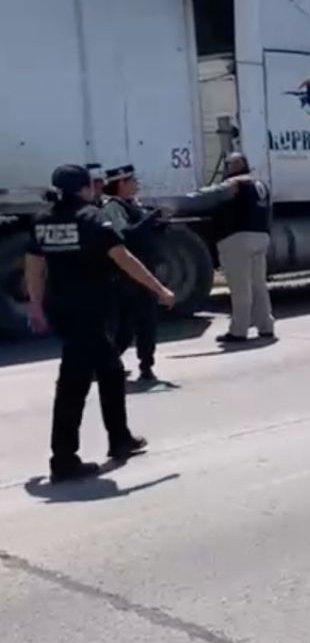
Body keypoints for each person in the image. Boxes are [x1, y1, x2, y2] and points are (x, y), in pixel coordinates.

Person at [25, 165, 175, 483]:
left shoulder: (42, 220)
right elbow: (125, 259)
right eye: (92, 185)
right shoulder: (91, 219)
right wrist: (159, 289)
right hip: (89, 310)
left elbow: (33, 267)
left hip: (61, 309)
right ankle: (64, 459)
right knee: (73, 383)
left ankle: (119, 439)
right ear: (83, 188)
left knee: (110, 370)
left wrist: (36, 307)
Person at [188, 153, 274, 343]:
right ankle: (266, 326)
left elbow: (204, 197)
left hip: (238, 238)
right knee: (259, 286)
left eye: (228, 165)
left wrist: (174, 202)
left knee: (240, 288)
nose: (226, 169)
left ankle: (238, 330)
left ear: (234, 166)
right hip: (261, 236)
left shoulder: (234, 184)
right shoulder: (260, 183)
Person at [101, 166, 164, 381]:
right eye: (132, 181)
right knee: (125, 327)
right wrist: (149, 220)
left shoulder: (132, 204)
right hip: (125, 274)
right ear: (121, 184)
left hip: (144, 270)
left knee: (148, 322)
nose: (136, 184)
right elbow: (126, 234)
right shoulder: (112, 208)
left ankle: (146, 365)